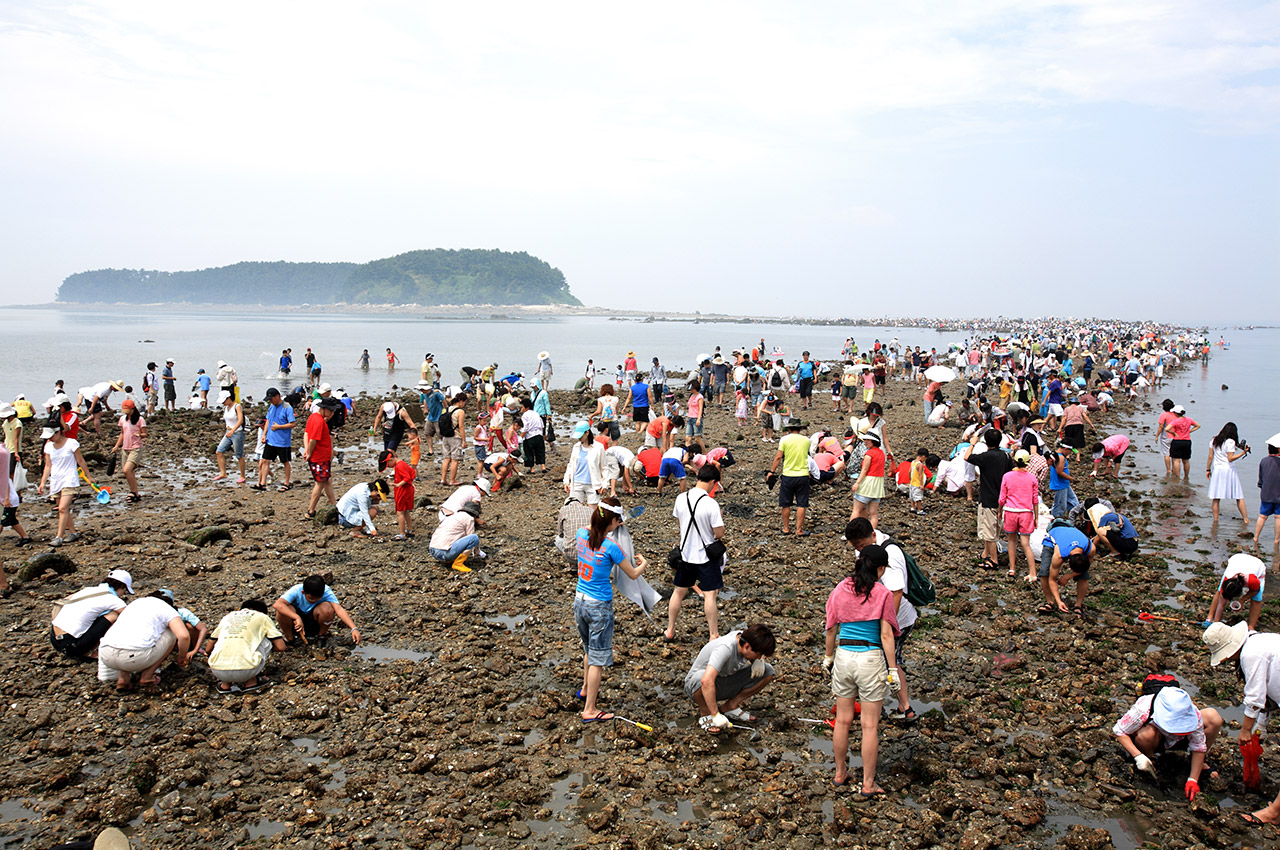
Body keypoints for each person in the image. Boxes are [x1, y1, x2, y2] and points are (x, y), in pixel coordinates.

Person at [823, 544, 898, 791]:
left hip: (844, 655)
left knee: (842, 720)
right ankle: (868, 783)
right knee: (869, 725)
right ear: (879, 568)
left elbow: (831, 627)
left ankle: (840, 773)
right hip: (870, 656)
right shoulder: (883, 593)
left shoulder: (841, 588)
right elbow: (887, 636)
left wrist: (828, 656)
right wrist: (893, 669)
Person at [572, 498, 647, 722]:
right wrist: (644, 563)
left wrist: (610, 523)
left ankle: (586, 688)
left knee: (588, 649)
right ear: (613, 521)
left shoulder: (580, 534)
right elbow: (632, 574)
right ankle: (590, 709)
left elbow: (592, 528)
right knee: (597, 658)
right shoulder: (611, 547)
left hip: (580, 600)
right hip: (599, 605)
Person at [1202, 621, 1280, 825]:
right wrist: (1261, 726)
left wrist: (1245, 731)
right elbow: (1268, 694)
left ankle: (1274, 813)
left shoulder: (1250, 654)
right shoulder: (1261, 641)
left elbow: (1255, 697)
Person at [844, 521, 917, 723]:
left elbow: (896, 593)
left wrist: (886, 626)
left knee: (888, 661)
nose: (859, 551)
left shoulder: (889, 555)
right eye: (856, 548)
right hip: (883, 617)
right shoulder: (867, 551)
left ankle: (902, 708)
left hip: (899, 619)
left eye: (861, 546)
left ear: (872, 536)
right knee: (890, 661)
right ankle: (902, 706)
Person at [1113, 686, 1221, 802]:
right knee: (1146, 735)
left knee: (1213, 717)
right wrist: (1138, 756)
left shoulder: (1191, 713)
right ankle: (1150, 759)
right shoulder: (1143, 709)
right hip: (1154, 740)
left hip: (1180, 740)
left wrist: (1193, 780)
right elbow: (1119, 731)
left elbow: (1199, 747)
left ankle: (1193, 762)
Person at [663, 465, 726, 642]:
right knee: (710, 595)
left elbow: (680, 523)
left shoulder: (681, 498)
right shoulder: (711, 504)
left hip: (685, 554)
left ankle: (670, 630)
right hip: (706, 556)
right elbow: (719, 534)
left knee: (678, 592)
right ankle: (713, 635)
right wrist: (720, 517)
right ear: (713, 482)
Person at [684, 624, 776, 733]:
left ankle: (730, 706)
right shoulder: (725, 648)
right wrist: (715, 714)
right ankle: (706, 712)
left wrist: (758, 661)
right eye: (759, 655)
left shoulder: (745, 638)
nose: (760, 657)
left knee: (768, 671)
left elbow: (756, 648)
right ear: (747, 646)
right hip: (698, 686)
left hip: (724, 680)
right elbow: (706, 681)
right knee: (701, 678)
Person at [96, 590, 194, 692]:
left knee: (127, 635)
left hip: (105, 655)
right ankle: (148, 676)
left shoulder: (134, 604)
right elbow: (184, 636)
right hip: (134, 658)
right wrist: (181, 657)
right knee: (172, 633)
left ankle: (123, 679)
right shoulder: (167, 609)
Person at [206, 599, 287, 693]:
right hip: (247, 670)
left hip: (217, 671)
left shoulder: (227, 617)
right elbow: (281, 647)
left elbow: (208, 649)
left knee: (226, 641)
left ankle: (225, 685)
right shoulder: (262, 617)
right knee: (264, 640)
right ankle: (251, 682)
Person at [50, 570, 133, 660]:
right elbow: (133, 617)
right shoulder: (113, 599)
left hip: (54, 639)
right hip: (70, 646)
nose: (123, 594)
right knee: (114, 615)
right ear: (121, 586)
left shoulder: (88, 590)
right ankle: (95, 651)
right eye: (125, 591)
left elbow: (63, 601)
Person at [38, 422, 94, 547]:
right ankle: (73, 533)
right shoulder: (48, 446)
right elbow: (48, 466)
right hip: (56, 480)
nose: (49, 438)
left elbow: (80, 461)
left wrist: (89, 477)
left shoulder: (71, 443)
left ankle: (59, 537)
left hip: (70, 479)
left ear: (58, 432)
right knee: (63, 510)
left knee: (62, 508)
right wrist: (42, 483)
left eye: (51, 436)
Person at [965, 429, 1013, 572]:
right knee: (995, 528)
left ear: (986, 442)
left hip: (988, 497)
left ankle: (993, 560)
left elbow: (967, 457)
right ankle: (986, 553)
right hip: (1002, 498)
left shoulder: (985, 456)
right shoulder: (1005, 456)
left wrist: (972, 443)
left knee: (989, 531)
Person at [274, 574, 361, 646]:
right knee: (282, 610)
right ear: (303, 592)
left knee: (327, 608)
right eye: (311, 598)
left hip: (314, 622)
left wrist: (354, 628)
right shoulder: (296, 590)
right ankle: (290, 638)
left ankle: (321, 635)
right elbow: (278, 604)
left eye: (318, 598)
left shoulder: (326, 591)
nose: (314, 600)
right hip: (295, 624)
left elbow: (338, 609)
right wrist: (296, 617)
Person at [998, 449, 1040, 580]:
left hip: (1010, 511)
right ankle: (1032, 572)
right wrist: (1036, 517)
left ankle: (1012, 568)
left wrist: (1000, 511)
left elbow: (1002, 498)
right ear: (1028, 462)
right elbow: (1035, 500)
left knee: (1011, 541)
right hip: (1026, 513)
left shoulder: (1007, 476)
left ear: (1014, 461)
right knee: (1025, 543)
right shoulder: (1032, 478)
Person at [1039, 520, 1095, 615]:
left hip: (1071, 533)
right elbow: (1052, 580)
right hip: (1053, 538)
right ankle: (1050, 602)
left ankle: (1078, 605)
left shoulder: (1090, 548)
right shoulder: (1059, 554)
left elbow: (1086, 566)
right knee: (1045, 572)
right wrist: (1059, 602)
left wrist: (1068, 576)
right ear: (1067, 560)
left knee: (1084, 576)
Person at [1205, 552, 1266, 630]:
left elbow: (1255, 591)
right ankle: (1209, 618)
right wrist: (1216, 623)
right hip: (1237, 560)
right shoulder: (1228, 577)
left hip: (1257, 565)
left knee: (1256, 599)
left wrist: (1242, 600)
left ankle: (1251, 627)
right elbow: (1221, 602)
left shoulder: (1252, 580)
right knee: (1220, 592)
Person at [251, 388, 295, 492]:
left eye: (271, 399)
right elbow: (268, 421)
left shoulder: (287, 407)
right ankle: (262, 483)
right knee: (265, 460)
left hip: (282, 441)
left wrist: (279, 427)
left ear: (277, 396)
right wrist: (264, 435)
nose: (270, 401)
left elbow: (293, 424)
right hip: (270, 440)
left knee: (285, 462)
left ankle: (287, 483)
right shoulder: (271, 406)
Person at [1207, 422, 1250, 524]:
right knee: (1239, 496)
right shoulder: (1230, 442)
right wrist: (1243, 453)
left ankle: (1216, 521)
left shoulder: (1214, 440)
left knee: (1216, 497)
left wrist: (1208, 469)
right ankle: (1246, 520)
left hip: (1217, 470)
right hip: (1229, 470)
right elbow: (1230, 458)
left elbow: (1210, 456)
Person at [303, 400, 339, 519]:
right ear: (323, 409)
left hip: (321, 456)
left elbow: (306, 434)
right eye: (331, 410)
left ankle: (335, 506)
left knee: (327, 480)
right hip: (319, 457)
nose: (332, 413)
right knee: (320, 483)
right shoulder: (318, 421)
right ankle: (311, 510)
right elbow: (313, 439)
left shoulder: (313, 417)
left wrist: (306, 449)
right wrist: (309, 452)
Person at [428, 500, 485, 571]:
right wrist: (478, 552)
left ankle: (448, 560)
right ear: (474, 515)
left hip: (433, 550)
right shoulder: (469, 518)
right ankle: (458, 563)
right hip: (443, 553)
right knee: (474, 538)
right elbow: (471, 537)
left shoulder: (453, 516)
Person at [849, 430, 888, 529]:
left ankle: (851, 533)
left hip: (868, 483)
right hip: (878, 484)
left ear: (873, 441)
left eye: (868, 440)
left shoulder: (869, 454)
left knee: (856, 510)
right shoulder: (882, 453)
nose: (865, 442)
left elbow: (864, 470)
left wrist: (857, 483)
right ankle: (871, 533)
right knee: (873, 513)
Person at [109, 399, 146, 502]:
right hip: (125, 448)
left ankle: (133, 491)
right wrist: (116, 446)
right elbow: (122, 433)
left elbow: (144, 434)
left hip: (136, 447)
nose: (126, 413)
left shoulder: (140, 419)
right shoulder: (122, 419)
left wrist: (139, 435)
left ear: (133, 409)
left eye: (128, 411)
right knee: (130, 472)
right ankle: (135, 493)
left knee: (127, 470)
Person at [378, 449, 416, 540]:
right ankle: (410, 530)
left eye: (388, 465)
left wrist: (398, 484)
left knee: (400, 512)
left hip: (403, 491)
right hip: (407, 490)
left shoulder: (399, 466)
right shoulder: (402, 464)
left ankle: (402, 534)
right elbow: (412, 473)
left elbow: (407, 477)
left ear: (391, 459)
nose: (389, 467)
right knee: (405, 510)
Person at [563, 421, 604, 505]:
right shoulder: (576, 447)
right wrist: (566, 481)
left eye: (581, 435)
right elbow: (571, 465)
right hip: (577, 483)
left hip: (593, 484)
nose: (579, 438)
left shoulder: (598, 447)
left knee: (592, 513)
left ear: (587, 433)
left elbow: (604, 467)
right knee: (576, 511)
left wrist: (604, 484)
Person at [213, 391, 247, 484]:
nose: (223, 403)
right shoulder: (226, 408)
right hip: (228, 432)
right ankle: (223, 473)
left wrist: (232, 430)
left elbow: (240, 420)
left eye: (224, 401)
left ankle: (242, 476)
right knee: (219, 451)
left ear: (228, 398)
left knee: (239, 455)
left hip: (237, 433)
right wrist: (228, 429)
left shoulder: (237, 406)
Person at [1255, 434, 1280, 552]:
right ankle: (1276, 540)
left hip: (1266, 494)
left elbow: (1261, 479)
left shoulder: (1264, 461)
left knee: (1262, 516)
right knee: (1278, 517)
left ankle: (1256, 538)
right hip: (1279, 495)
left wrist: (1262, 487)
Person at [439, 393, 468, 487]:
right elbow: (461, 426)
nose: (464, 404)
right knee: (455, 459)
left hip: (445, 436)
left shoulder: (446, 409)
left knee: (447, 458)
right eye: (464, 402)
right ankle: (452, 480)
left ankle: (443, 479)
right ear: (461, 401)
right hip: (455, 437)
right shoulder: (460, 412)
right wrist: (464, 440)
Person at [1166, 405, 1199, 480]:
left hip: (1177, 441)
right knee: (1186, 460)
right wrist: (1190, 431)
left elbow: (1167, 429)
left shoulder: (1176, 421)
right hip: (1187, 441)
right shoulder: (1189, 419)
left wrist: (1173, 433)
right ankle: (1186, 476)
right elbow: (1198, 425)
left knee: (1176, 460)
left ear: (1176, 413)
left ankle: (1177, 477)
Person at [1154, 399, 1177, 475]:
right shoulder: (1175, 414)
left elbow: (1161, 427)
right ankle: (1174, 469)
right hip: (1175, 436)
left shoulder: (1163, 415)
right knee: (1174, 454)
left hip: (1166, 436)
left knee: (1166, 453)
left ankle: (1168, 470)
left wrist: (1157, 436)